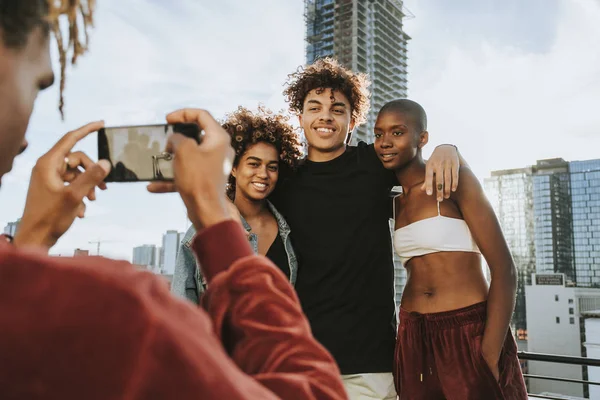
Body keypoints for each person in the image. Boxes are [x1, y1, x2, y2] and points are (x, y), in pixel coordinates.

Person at [0, 1, 347, 398]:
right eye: (38, 86)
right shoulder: (115, 309)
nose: (28, 137)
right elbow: (315, 390)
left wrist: (31, 239)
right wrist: (216, 220)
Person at [270, 57, 464, 399]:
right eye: (314, 107)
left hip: (371, 364)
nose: (326, 115)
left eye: (338, 108)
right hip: (301, 361)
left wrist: (448, 148)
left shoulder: (373, 164)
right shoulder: (283, 181)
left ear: (353, 119)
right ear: (300, 118)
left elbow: (417, 159)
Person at [373, 99, 527, 399]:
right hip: (413, 334)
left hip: (468, 329)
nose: (385, 142)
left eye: (397, 132)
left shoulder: (454, 182)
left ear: (422, 138)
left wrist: (489, 354)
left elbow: (505, 270)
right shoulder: (391, 200)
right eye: (379, 134)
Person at [173, 106, 302, 304]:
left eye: (272, 167)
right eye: (253, 163)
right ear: (233, 168)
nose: (263, 174)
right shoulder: (201, 234)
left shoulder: (290, 230)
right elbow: (182, 309)